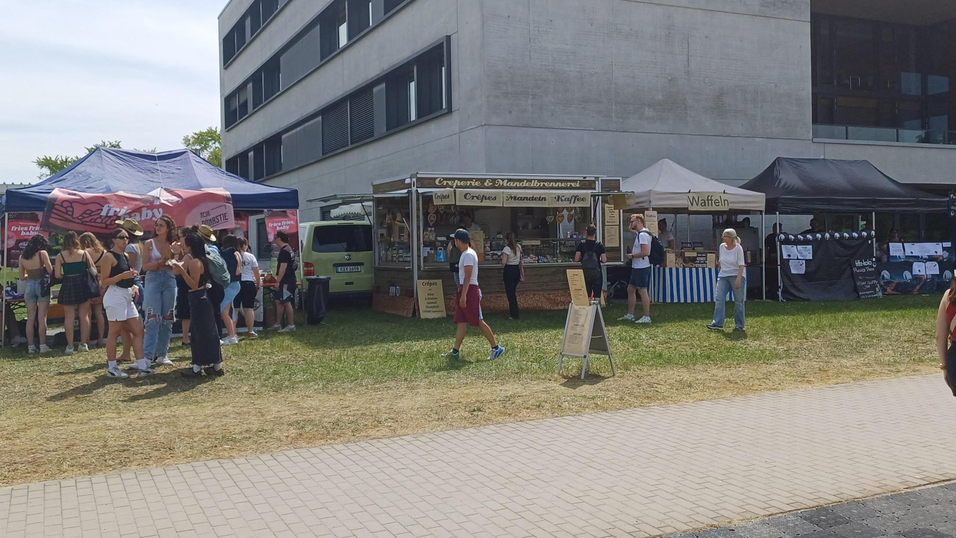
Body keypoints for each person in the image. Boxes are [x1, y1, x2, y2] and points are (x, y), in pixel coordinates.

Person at [441, 229, 504, 361]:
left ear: (458, 241)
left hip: (469, 289)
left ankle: (496, 347)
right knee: (461, 321)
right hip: (466, 289)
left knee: (478, 320)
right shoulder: (466, 253)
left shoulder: (468, 254)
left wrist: (463, 295)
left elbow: (468, 276)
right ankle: (455, 351)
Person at [99, 228, 150, 379]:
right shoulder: (109, 256)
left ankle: (142, 366)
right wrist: (122, 276)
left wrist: (133, 284)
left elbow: (129, 276)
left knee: (138, 330)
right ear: (113, 239)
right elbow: (104, 281)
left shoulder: (125, 255)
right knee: (114, 332)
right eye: (121, 237)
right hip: (115, 295)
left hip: (126, 294)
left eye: (127, 237)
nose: (124, 240)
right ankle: (112, 367)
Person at [174, 232, 224, 378]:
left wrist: (183, 271)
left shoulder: (196, 262)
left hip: (198, 298)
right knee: (206, 332)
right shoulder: (201, 259)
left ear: (189, 246)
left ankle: (197, 367)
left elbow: (194, 285)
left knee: (199, 334)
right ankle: (214, 365)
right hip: (201, 299)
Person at [141, 215, 178, 366]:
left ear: (168, 228)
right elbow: (145, 267)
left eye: (161, 225)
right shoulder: (149, 243)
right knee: (152, 317)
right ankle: (148, 356)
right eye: (156, 225)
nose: (158, 228)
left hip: (169, 279)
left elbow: (178, 264)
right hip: (153, 279)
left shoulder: (174, 244)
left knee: (167, 317)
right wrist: (161, 262)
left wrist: (174, 257)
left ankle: (163, 354)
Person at [55, 231, 95, 354]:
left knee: (69, 316)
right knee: (84, 315)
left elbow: (57, 275)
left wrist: (66, 275)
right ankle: (83, 344)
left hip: (68, 283)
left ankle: (70, 346)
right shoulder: (84, 254)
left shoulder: (60, 256)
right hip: (83, 284)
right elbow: (93, 270)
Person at [19, 234, 53, 353]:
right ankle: (43, 345)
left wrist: (31, 274)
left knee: (30, 318)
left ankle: (30, 346)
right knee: (42, 317)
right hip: (41, 285)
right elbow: (50, 270)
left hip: (29, 285)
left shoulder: (22, 257)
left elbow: (22, 277)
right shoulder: (42, 253)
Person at [116, 218, 144, 362]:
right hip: (136, 283)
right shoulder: (139, 245)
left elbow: (130, 268)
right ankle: (129, 353)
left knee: (127, 324)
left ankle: (127, 353)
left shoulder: (130, 248)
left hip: (131, 284)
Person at [708, 228, 747, 332]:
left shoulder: (738, 248)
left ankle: (739, 324)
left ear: (731, 238)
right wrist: (720, 270)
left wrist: (739, 279)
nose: (722, 238)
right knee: (719, 298)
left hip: (736, 275)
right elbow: (721, 260)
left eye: (725, 236)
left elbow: (741, 265)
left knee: (738, 301)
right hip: (723, 276)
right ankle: (717, 323)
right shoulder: (721, 247)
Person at [620, 214, 652, 324]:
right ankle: (630, 314)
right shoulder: (641, 233)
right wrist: (632, 224)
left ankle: (647, 316)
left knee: (642, 291)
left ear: (638, 221)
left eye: (632, 221)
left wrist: (632, 256)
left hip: (641, 267)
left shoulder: (643, 235)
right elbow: (631, 228)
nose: (630, 224)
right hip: (637, 266)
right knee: (630, 289)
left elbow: (646, 252)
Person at [197, 225, 226, 338]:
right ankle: (217, 335)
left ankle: (216, 335)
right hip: (217, 282)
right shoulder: (215, 249)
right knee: (215, 311)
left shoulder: (207, 250)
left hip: (211, 282)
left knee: (212, 311)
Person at [80, 232, 108, 347]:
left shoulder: (84, 253)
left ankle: (86, 340)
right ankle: (101, 339)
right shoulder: (104, 252)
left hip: (88, 283)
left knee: (87, 313)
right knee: (99, 312)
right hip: (101, 283)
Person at [171, 226, 195, 346]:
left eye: (179, 236)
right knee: (186, 312)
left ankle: (187, 337)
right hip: (187, 283)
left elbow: (177, 270)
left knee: (187, 310)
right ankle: (186, 337)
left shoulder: (190, 253)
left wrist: (175, 254)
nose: (177, 239)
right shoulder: (188, 251)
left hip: (188, 283)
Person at [218, 234, 242, 345]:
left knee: (223, 312)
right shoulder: (237, 252)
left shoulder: (230, 253)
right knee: (230, 310)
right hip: (235, 284)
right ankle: (233, 334)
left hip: (230, 284)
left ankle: (231, 336)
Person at [270, 230, 297, 332]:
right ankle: (278, 324)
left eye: (276, 237)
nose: (275, 239)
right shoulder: (289, 249)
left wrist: (278, 281)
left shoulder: (284, 251)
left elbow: (283, 267)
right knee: (278, 301)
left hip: (286, 280)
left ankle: (291, 325)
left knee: (286, 301)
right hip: (288, 279)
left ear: (279, 238)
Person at [235, 237, 261, 338]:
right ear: (245, 245)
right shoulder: (251, 257)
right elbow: (256, 272)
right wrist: (258, 283)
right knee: (249, 308)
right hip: (249, 282)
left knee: (235, 309)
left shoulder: (234, 255)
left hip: (237, 282)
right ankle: (250, 331)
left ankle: (233, 332)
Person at [574, 225, 607, 300]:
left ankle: (588, 309)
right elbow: (604, 260)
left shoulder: (581, 244)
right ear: (595, 233)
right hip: (597, 272)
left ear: (586, 233)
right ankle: (595, 309)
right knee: (597, 294)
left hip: (585, 272)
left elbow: (576, 258)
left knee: (587, 293)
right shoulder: (599, 245)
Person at [500, 232, 522, 320]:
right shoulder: (518, 247)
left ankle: (514, 314)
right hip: (516, 270)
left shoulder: (506, 249)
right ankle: (514, 312)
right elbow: (520, 257)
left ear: (506, 239)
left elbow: (504, 262)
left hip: (509, 270)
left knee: (510, 294)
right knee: (513, 292)